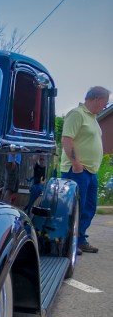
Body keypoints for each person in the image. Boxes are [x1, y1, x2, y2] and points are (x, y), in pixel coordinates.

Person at [60, 86, 110, 254]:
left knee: (89, 207)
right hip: (77, 171)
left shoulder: (93, 118)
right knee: (75, 208)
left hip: (90, 172)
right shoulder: (77, 114)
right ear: (96, 99)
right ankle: (68, 241)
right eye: (105, 102)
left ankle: (80, 239)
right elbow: (67, 139)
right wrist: (76, 164)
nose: (105, 106)